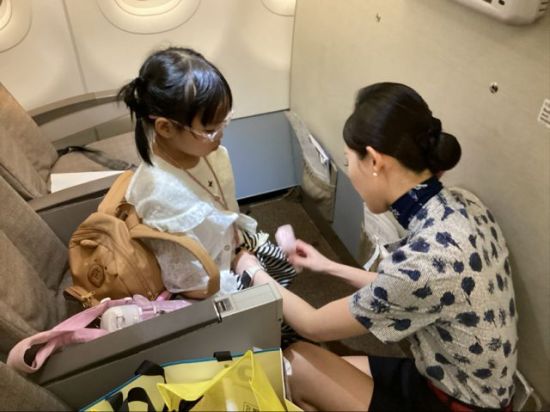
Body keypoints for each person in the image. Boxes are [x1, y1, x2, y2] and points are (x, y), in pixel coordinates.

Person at [234, 83, 518, 411]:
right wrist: (327, 265)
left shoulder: (425, 262)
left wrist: (252, 270)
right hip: (449, 377)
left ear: (373, 160)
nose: (349, 171)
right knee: (326, 367)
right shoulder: (462, 205)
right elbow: (410, 287)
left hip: (458, 403)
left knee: (295, 364)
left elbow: (313, 324)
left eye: (348, 161)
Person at [118, 47, 295, 297]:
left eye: (225, 121)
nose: (221, 133)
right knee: (271, 303)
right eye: (211, 129)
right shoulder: (159, 193)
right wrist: (245, 267)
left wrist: (240, 250)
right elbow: (186, 280)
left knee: (283, 268)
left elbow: (225, 208)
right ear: (165, 128)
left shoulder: (209, 153)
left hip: (230, 244)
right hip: (207, 281)